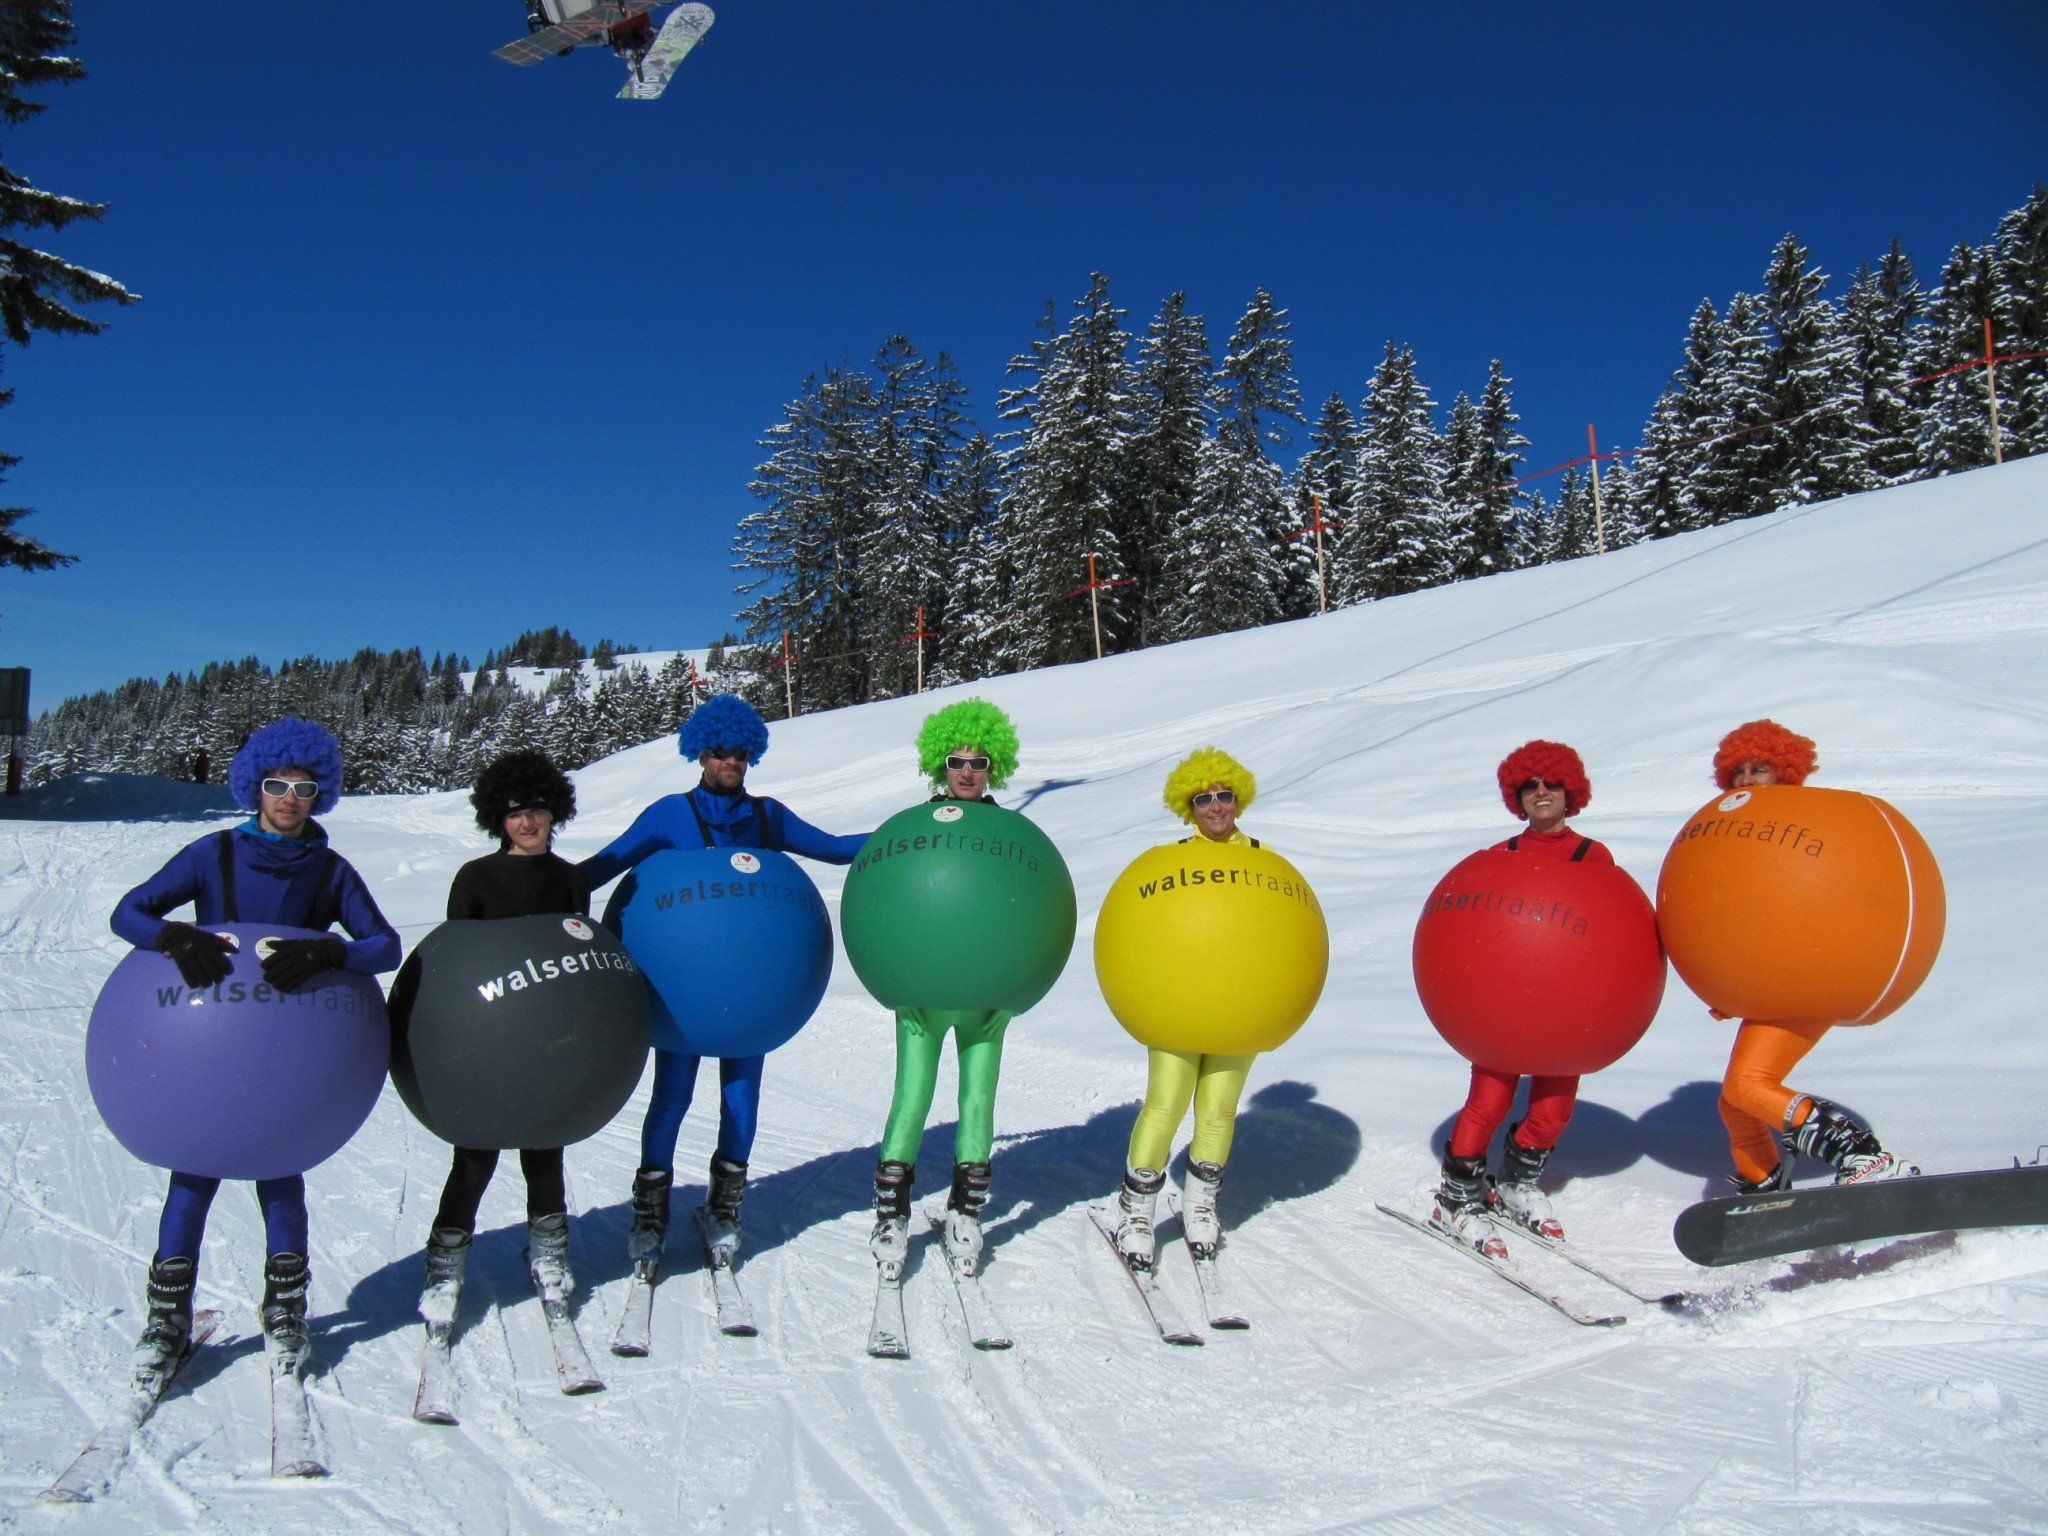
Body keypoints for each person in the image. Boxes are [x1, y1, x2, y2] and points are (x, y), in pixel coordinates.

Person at [109, 718, 401, 1376]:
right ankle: (166, 1321)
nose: (288, 798)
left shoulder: (329, 871)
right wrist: (174, 939)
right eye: (275, 785)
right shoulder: (212, 855)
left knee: (281, 1173)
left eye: (303, 787)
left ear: (319, 794)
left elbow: (384, 946)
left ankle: (286, 1312)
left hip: (291, 1051)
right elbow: (128, 912)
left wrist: (333, 949)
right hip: (208, 1046)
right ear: (254, 788)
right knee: (193, 1172)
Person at [578, 694, 868, 1270]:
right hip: (682, 994)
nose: (730, 762)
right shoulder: (670, 814)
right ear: (700, 753)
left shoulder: (766, 816)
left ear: (751, 754)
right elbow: (603, 866)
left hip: (755, 991)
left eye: (740, 753)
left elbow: (835, 850)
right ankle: (650, 1212)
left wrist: (918, 835)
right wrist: (528, 881)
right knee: (672, 1098)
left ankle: (725, 1207)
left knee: (740, 1100)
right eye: (719, 752)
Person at [419, 750, 591, 1329]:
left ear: (554, 813)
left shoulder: (570, 879)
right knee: (475, 1154)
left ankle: (547, 1254)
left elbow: (575, 962)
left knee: (545, 1148)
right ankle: (445, 1266)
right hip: (488, 1040)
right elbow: (456, 964)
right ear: (499, 818)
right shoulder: (476, 879)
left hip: (549, 1040)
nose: (527, 822)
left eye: (537, 810)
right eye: (516, 813)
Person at [1708, 719, 1915, 1191]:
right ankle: (1763, 1184)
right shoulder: (1739, 837)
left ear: (1785, 770)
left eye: (1758, 769)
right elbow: (1740, 918)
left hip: (1809, 977)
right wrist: (1722, 977)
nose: (1745, 781)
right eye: (1737, 772)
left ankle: (1860, 1152)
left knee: (1747, 1085)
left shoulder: (1806, 828)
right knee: (1734, 1103)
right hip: (1771, 984)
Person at [1429, 741, 1615, 1258]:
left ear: (1569, 791)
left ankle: (1516, 1180)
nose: (1540, 793)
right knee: (1487, 1102)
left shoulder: (1591, 856)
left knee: (1554, 1111)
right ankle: (1456, 1194)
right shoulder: (1501, 858)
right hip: (1504, 1008)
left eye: (1550, 784)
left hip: (1563, 1008)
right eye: (1529, 786)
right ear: (1517, 796)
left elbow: (1607, 928)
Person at [870, 698, 1022, 1283]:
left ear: (993, 768)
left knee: (978, 1102)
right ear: (940, 764)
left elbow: (1028, 906)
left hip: (987, 997)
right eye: (957, 761)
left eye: (978, 762)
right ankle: (891, 1215)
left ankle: (966, 1212)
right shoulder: (914, 830)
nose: (966, 771)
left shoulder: (1011, 833)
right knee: (911, 1097)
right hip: (922, 997)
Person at [1108, 748, 1272, 1273]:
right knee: (1165, 1102)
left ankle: (1201, 1204)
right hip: (1177, 1004)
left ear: (1238, 799)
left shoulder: (1263, 862)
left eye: (1225, 796)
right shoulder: (1172, 860)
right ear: (1189, 804)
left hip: (1237, 1007)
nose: (1216, 807)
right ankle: (1137, 1210)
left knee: (1220, 1108)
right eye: (1204, 798)